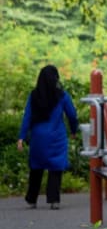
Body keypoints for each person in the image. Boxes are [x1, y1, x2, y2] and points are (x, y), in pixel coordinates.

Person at [16, 65, 79, 210]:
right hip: (56, 137)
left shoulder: (34, 95)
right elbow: (72, 115)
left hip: (38, 137)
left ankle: (32, 199)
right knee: (55, 167)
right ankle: (53, 200)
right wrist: (74, 131)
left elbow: (27, 117)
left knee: (36, 167)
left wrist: (22, 137)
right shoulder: (62, 95)